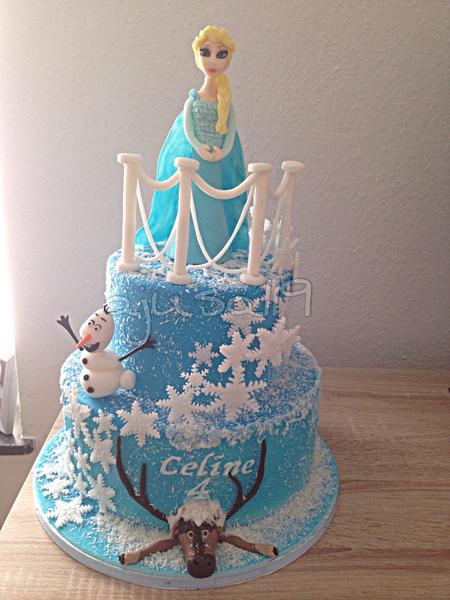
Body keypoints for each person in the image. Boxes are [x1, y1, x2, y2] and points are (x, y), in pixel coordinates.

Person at [136, 25, 249, 264]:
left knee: (213, 205)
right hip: (194, 162)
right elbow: (188, 130)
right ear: (197, 54)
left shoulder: (226, 104)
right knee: (190, 202)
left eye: (221, 54)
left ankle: (215, 248)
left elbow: (230, 135)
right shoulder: (193, 100)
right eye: (205, 52)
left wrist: (222, 151)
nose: (212, 60)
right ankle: (185, 248)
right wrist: (199, 147)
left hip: (215, 164)